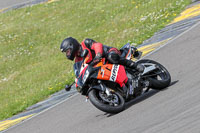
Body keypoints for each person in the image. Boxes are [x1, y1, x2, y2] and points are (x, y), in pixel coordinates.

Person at [60, 37, 144, 93]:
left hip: (108, 54)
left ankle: (135, 66)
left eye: (67, 51)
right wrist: (78, 82)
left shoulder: (85, 43)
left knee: (112, 57)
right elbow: (79, 73)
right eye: (66, 53)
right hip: (101, 68)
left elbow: (97, 45)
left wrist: (98, 54)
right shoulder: (77, 61)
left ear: (72, 46)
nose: (67, 54)